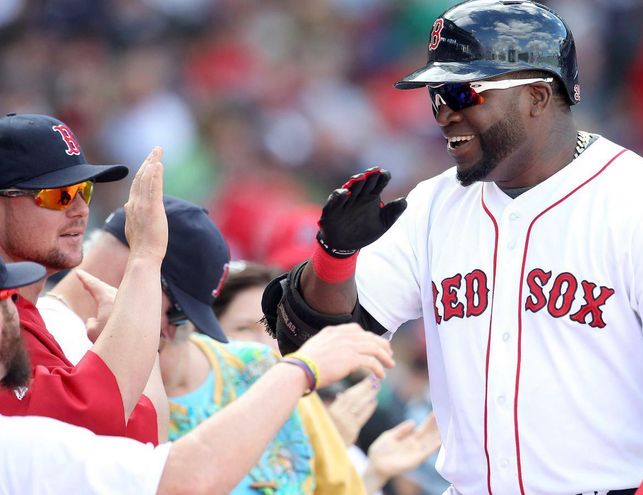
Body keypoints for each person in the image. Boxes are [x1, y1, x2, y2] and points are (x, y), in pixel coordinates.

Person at [261, 2, 643, 494]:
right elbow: (322, 347)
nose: (444, 113)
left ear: (537, 96)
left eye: (462, 92)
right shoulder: (432, 206)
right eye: (435, 95)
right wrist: (334, 257)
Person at [0, 256, 396, 494]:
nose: (266, 345)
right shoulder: (30, 437)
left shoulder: (262, 369)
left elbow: (340, 485)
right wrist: (302, 369)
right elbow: (183, 477)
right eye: (244, 328)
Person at [0, 113, 165, 443]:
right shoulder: (6, 324)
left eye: (83, 191)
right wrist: (145, 255)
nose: (80, 209)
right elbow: (99, 420)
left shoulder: (27, 314)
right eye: (58, 194)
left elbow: (140, 435)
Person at [214, 261, 442, 494]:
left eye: (271, 330)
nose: (265, 345)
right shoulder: (200, 416)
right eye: (244, 329)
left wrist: (373, 472)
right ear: (208, 333)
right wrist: (326, 446)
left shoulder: (313, 416)